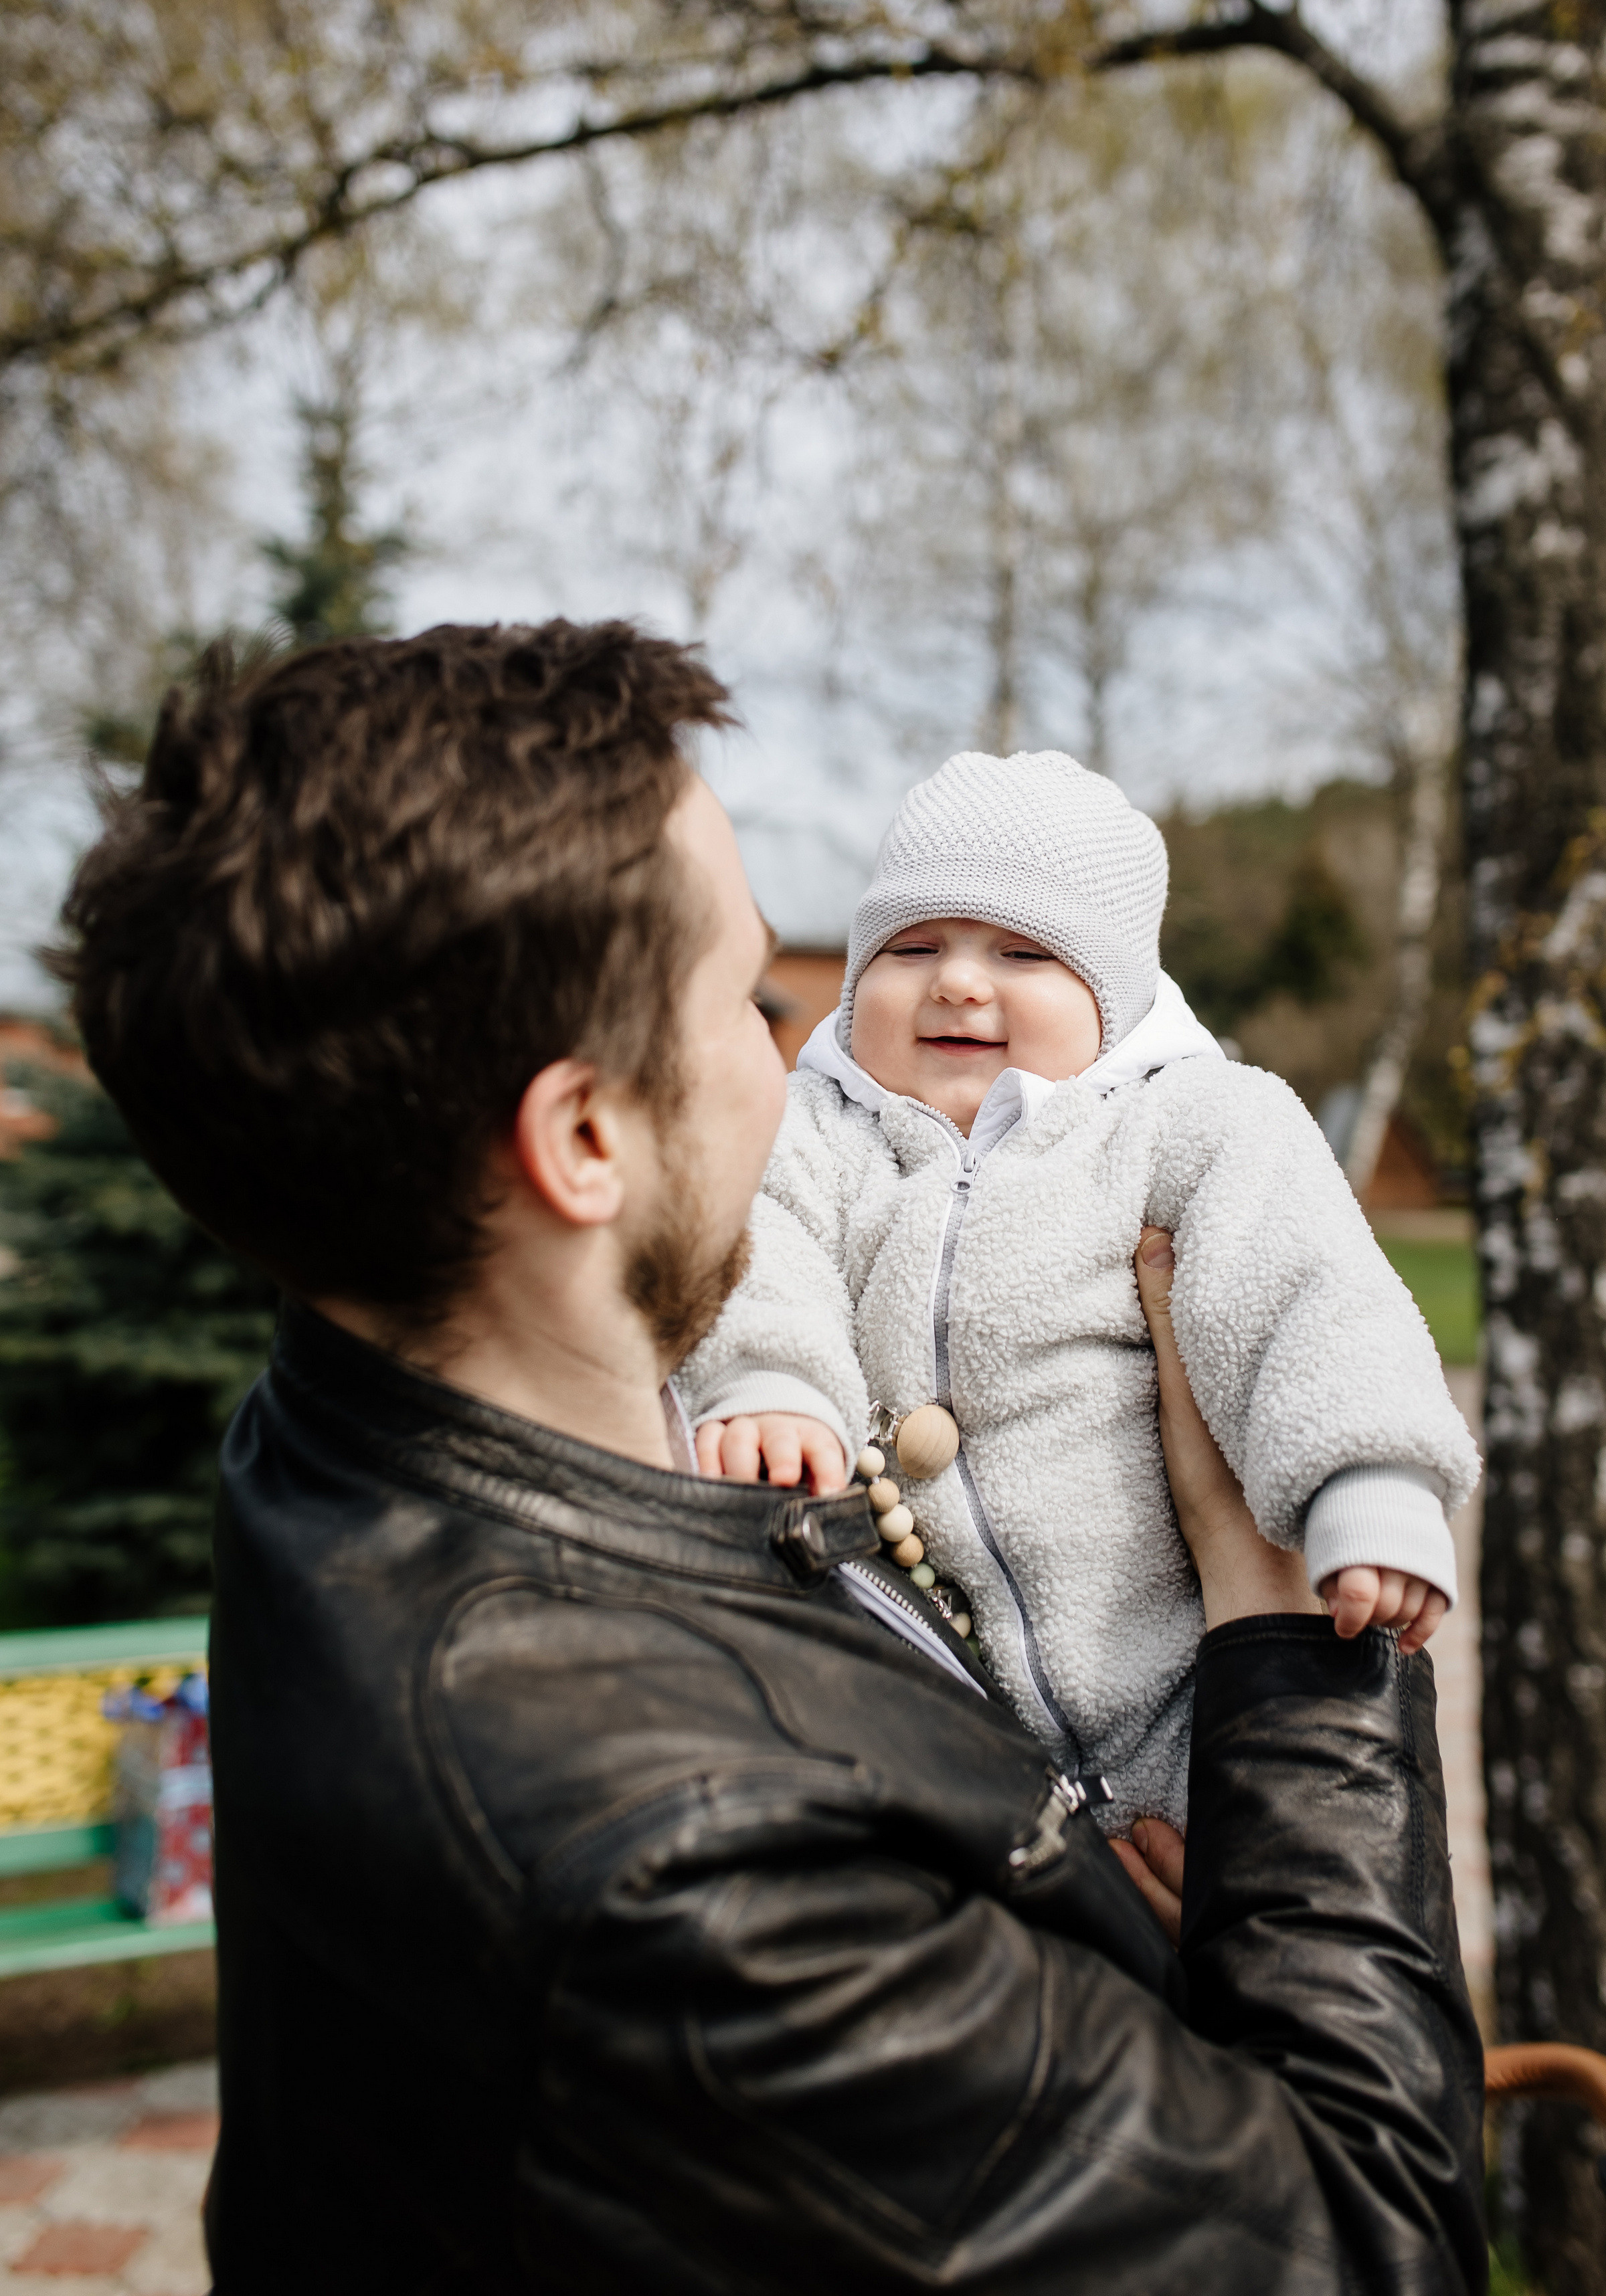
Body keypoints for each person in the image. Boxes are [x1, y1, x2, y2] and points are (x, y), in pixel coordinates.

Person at [51, 624, 1484, 2291]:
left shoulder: (330, 1438)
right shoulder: (704, 1882)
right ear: (585, 1137)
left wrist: (1074, 1945)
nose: (800, 1048)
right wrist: (1285, 1658)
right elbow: (1367, 2251)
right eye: (748, 997)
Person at [683, 750, 1480, 1828]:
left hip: (1177, 1707)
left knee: (1260, 1863)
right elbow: (757, 1246)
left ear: (1117, 996)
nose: (958, 982)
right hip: (925, 1728)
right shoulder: (817, 1128)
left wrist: (1370, 1480)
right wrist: (773, 1383)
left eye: (1023, 952)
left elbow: (1310, 1289)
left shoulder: (1196, 1121)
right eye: (913, 947)